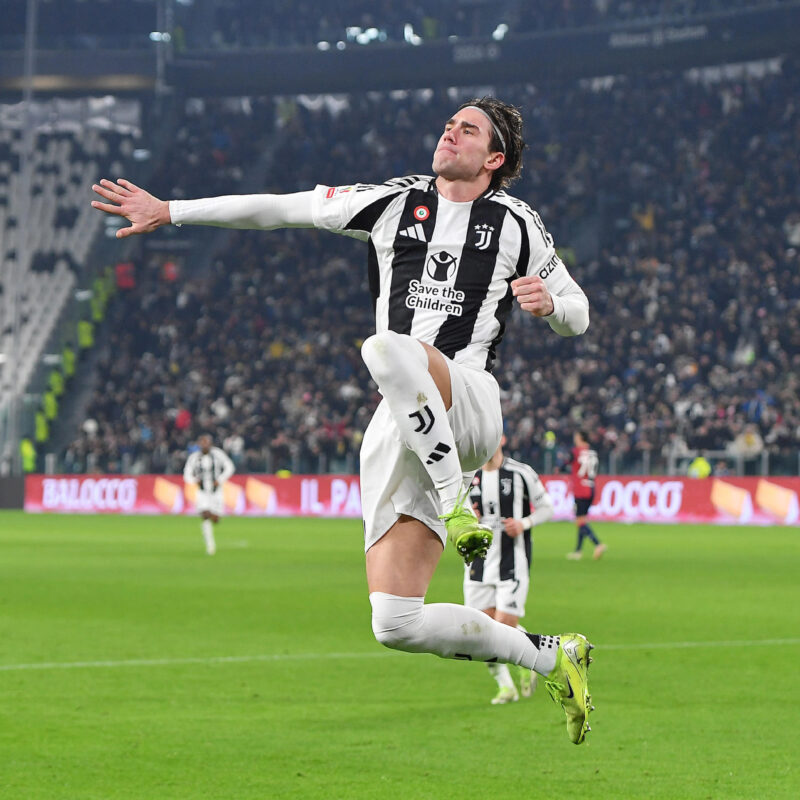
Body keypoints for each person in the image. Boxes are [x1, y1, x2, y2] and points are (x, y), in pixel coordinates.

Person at [91, 96, 595, 743]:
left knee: (384, 347)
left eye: (467, 129)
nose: (450, 130)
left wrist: (552, 304)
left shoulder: (515, 221)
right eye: (449, 122)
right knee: (395, 621)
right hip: (404, 420)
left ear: (494, 158)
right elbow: (282, 207)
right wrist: (170, 211)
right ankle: (556, 655)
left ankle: (456, 503)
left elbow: (578, 312)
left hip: (469, 400)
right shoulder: (391, 203)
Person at [464, 436, 554, 705]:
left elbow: (547, 508)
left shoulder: (521, 473)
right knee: (480, 631)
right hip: (477, 563)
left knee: (504, 627)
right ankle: (506, 687)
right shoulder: (468, 477)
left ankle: (528, 658)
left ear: (502, 438)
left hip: (511, 562)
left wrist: (524, 523)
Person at [183, 434, 236, 555]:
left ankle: (214, 517)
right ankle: (210, 546)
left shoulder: (217, 454)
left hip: (216, 491)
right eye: (202, 443)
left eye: (206, 442)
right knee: (204, 514)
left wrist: (221, 479)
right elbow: (186, 474)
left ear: (210, 443)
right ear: (199, 444)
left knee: (215, 519)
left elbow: (230, 467)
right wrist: (194, 480)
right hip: (202, 491)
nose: (204, 445)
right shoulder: (194, 457)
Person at [565, 430, 606, 560]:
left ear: (580, 438)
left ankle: (598, 544)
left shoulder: (575, 451)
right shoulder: (593, 452)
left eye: (576, 436)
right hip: (591, 487)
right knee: (582, 520)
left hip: (580, 489)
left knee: (580, 521)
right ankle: (578, 551)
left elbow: (565, 463)